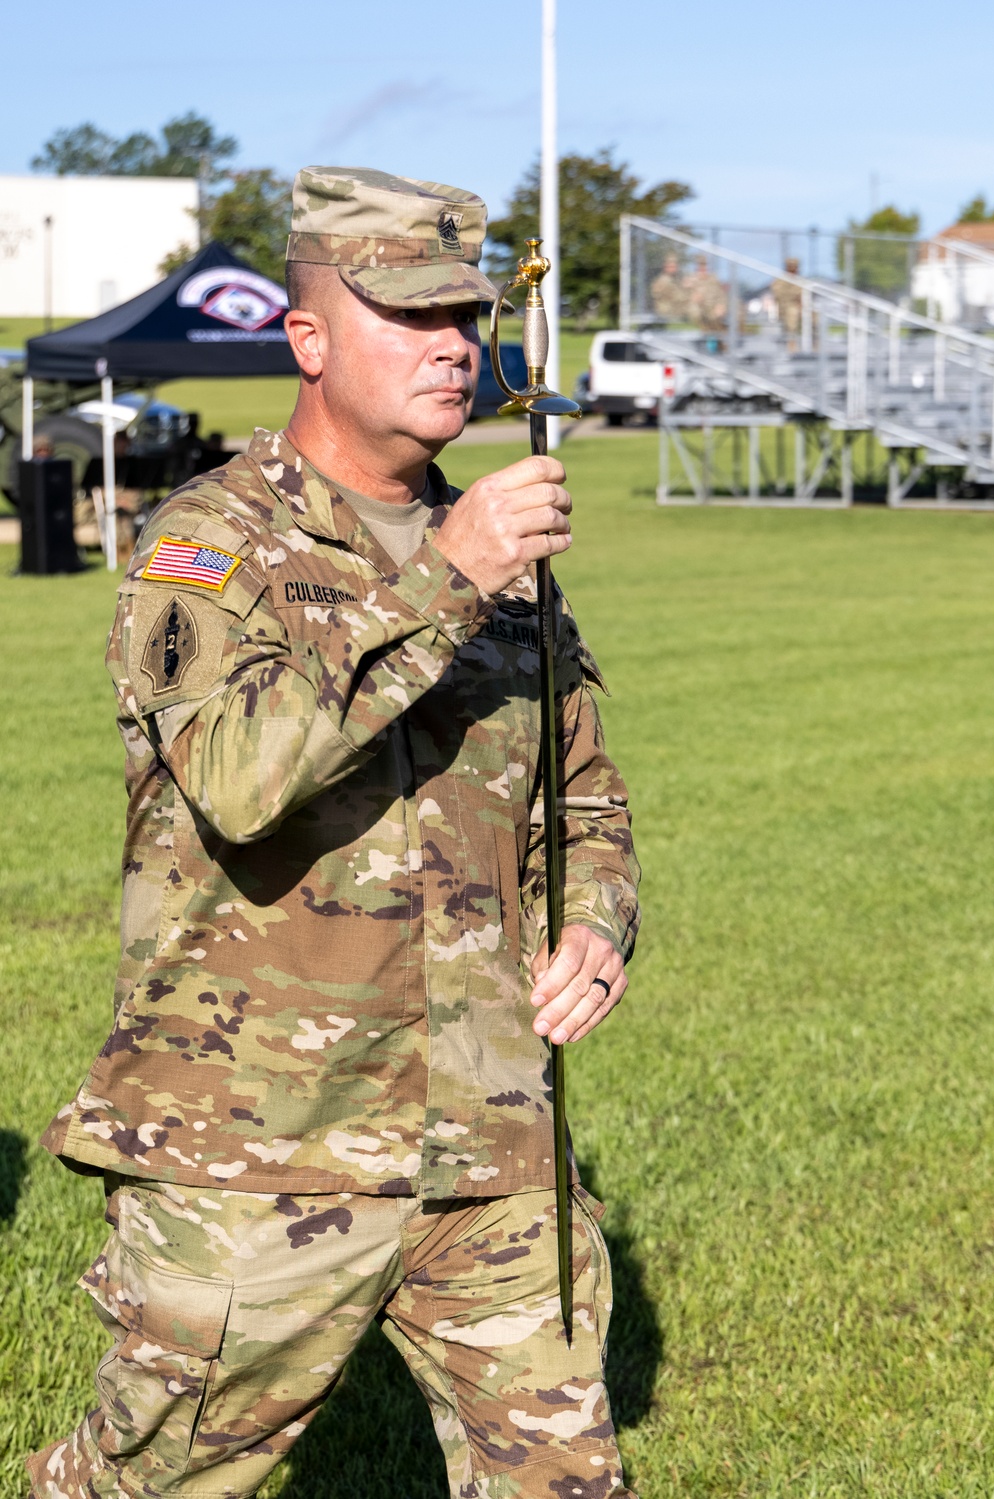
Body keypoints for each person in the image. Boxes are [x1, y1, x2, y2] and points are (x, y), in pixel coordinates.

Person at [27, 167, 641, 1499]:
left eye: (464, 320)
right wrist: (449, 580)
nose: (451, 351)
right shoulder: (206, 548)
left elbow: (582, 792)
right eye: (408, 319)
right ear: (306, 338)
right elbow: (241, 779)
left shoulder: (504, 550)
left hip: (492, 1143)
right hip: (259, 1151)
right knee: (153, 1483)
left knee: (566, 1482)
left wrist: (596, 922)